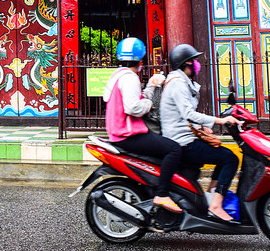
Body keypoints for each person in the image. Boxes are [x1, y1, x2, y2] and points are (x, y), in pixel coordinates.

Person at [160, 44, 242, 222]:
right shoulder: (178, 84)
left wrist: (202, 126)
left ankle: (211, 197)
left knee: (224, 155)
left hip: (185, 137)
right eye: (194, 61)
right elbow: (188, 113)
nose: (196, 64)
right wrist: (221, 120)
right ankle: (216, 206)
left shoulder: (180, 81)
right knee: (230, 159)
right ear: (186, 63)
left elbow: (184, 115)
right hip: (183, 143)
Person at [103, 37, 184, 213]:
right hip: (128, 134)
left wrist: (150, 86)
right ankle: (162, 194)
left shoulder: (117, 75)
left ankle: (152, 189)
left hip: (117, 133)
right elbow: (134, 107)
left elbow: (132, 99)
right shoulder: (130, 78)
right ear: (140, 60)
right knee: (174, 149)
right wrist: (150, 105)